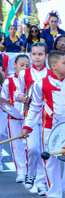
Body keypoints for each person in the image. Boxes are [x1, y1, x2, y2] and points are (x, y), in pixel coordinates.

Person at [20, 50, 65, 198]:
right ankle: (53, 195)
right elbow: (34, 107)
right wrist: (28, 126)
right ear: (53, 66)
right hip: (49, 128)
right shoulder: (40, 84)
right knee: (51, 161)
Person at [19, 43, 49, 194]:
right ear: (30, 55)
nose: (37, 57)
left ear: (46, 56)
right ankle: (30, 173)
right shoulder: (24, 74)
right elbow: (18, 92)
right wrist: (20, 97)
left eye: (40, 54)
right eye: (34, 54)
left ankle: (42, 182)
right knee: (32, 148)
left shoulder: (50, 73)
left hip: (47, 117)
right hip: (31, 115)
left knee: (44, 150)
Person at [0, 54, 31, 183]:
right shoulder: (9, 81)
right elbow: (3, 98)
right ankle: (21, 171)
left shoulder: (33, 80)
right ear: (14, 65)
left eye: (27, 66)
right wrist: (7, 108)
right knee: (16, 144)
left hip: (29, 117)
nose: (24, 68)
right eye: (21, 65)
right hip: (13, 117)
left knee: (30, 146)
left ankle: (31, 171)